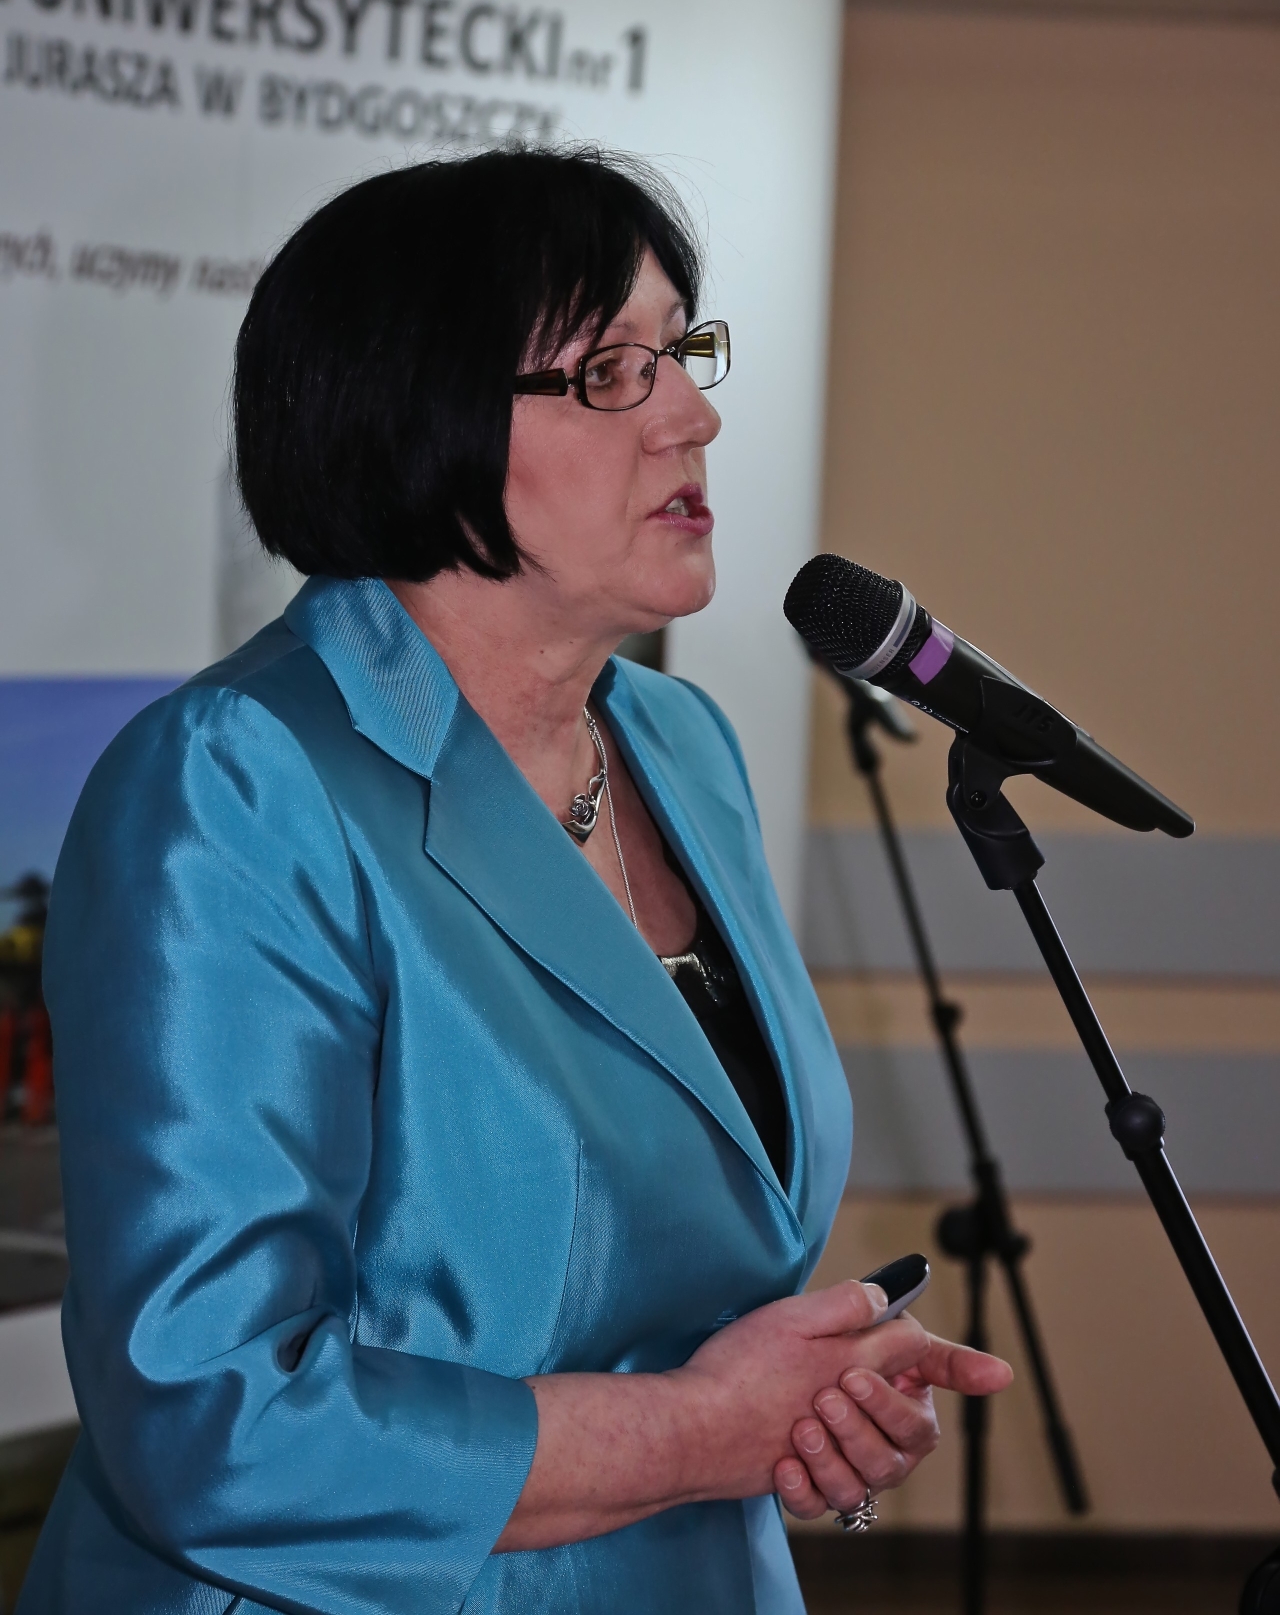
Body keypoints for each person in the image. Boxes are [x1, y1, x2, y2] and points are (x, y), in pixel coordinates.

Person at [21, 149, 1010, 1615]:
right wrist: (696, 1432)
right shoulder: (238, 782)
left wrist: (805, 1412)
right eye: (610, 371)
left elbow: (673, 1271)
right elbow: (209, 1417)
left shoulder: (683, 746)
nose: (693, 414)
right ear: (413, 410)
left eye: (681, 351)